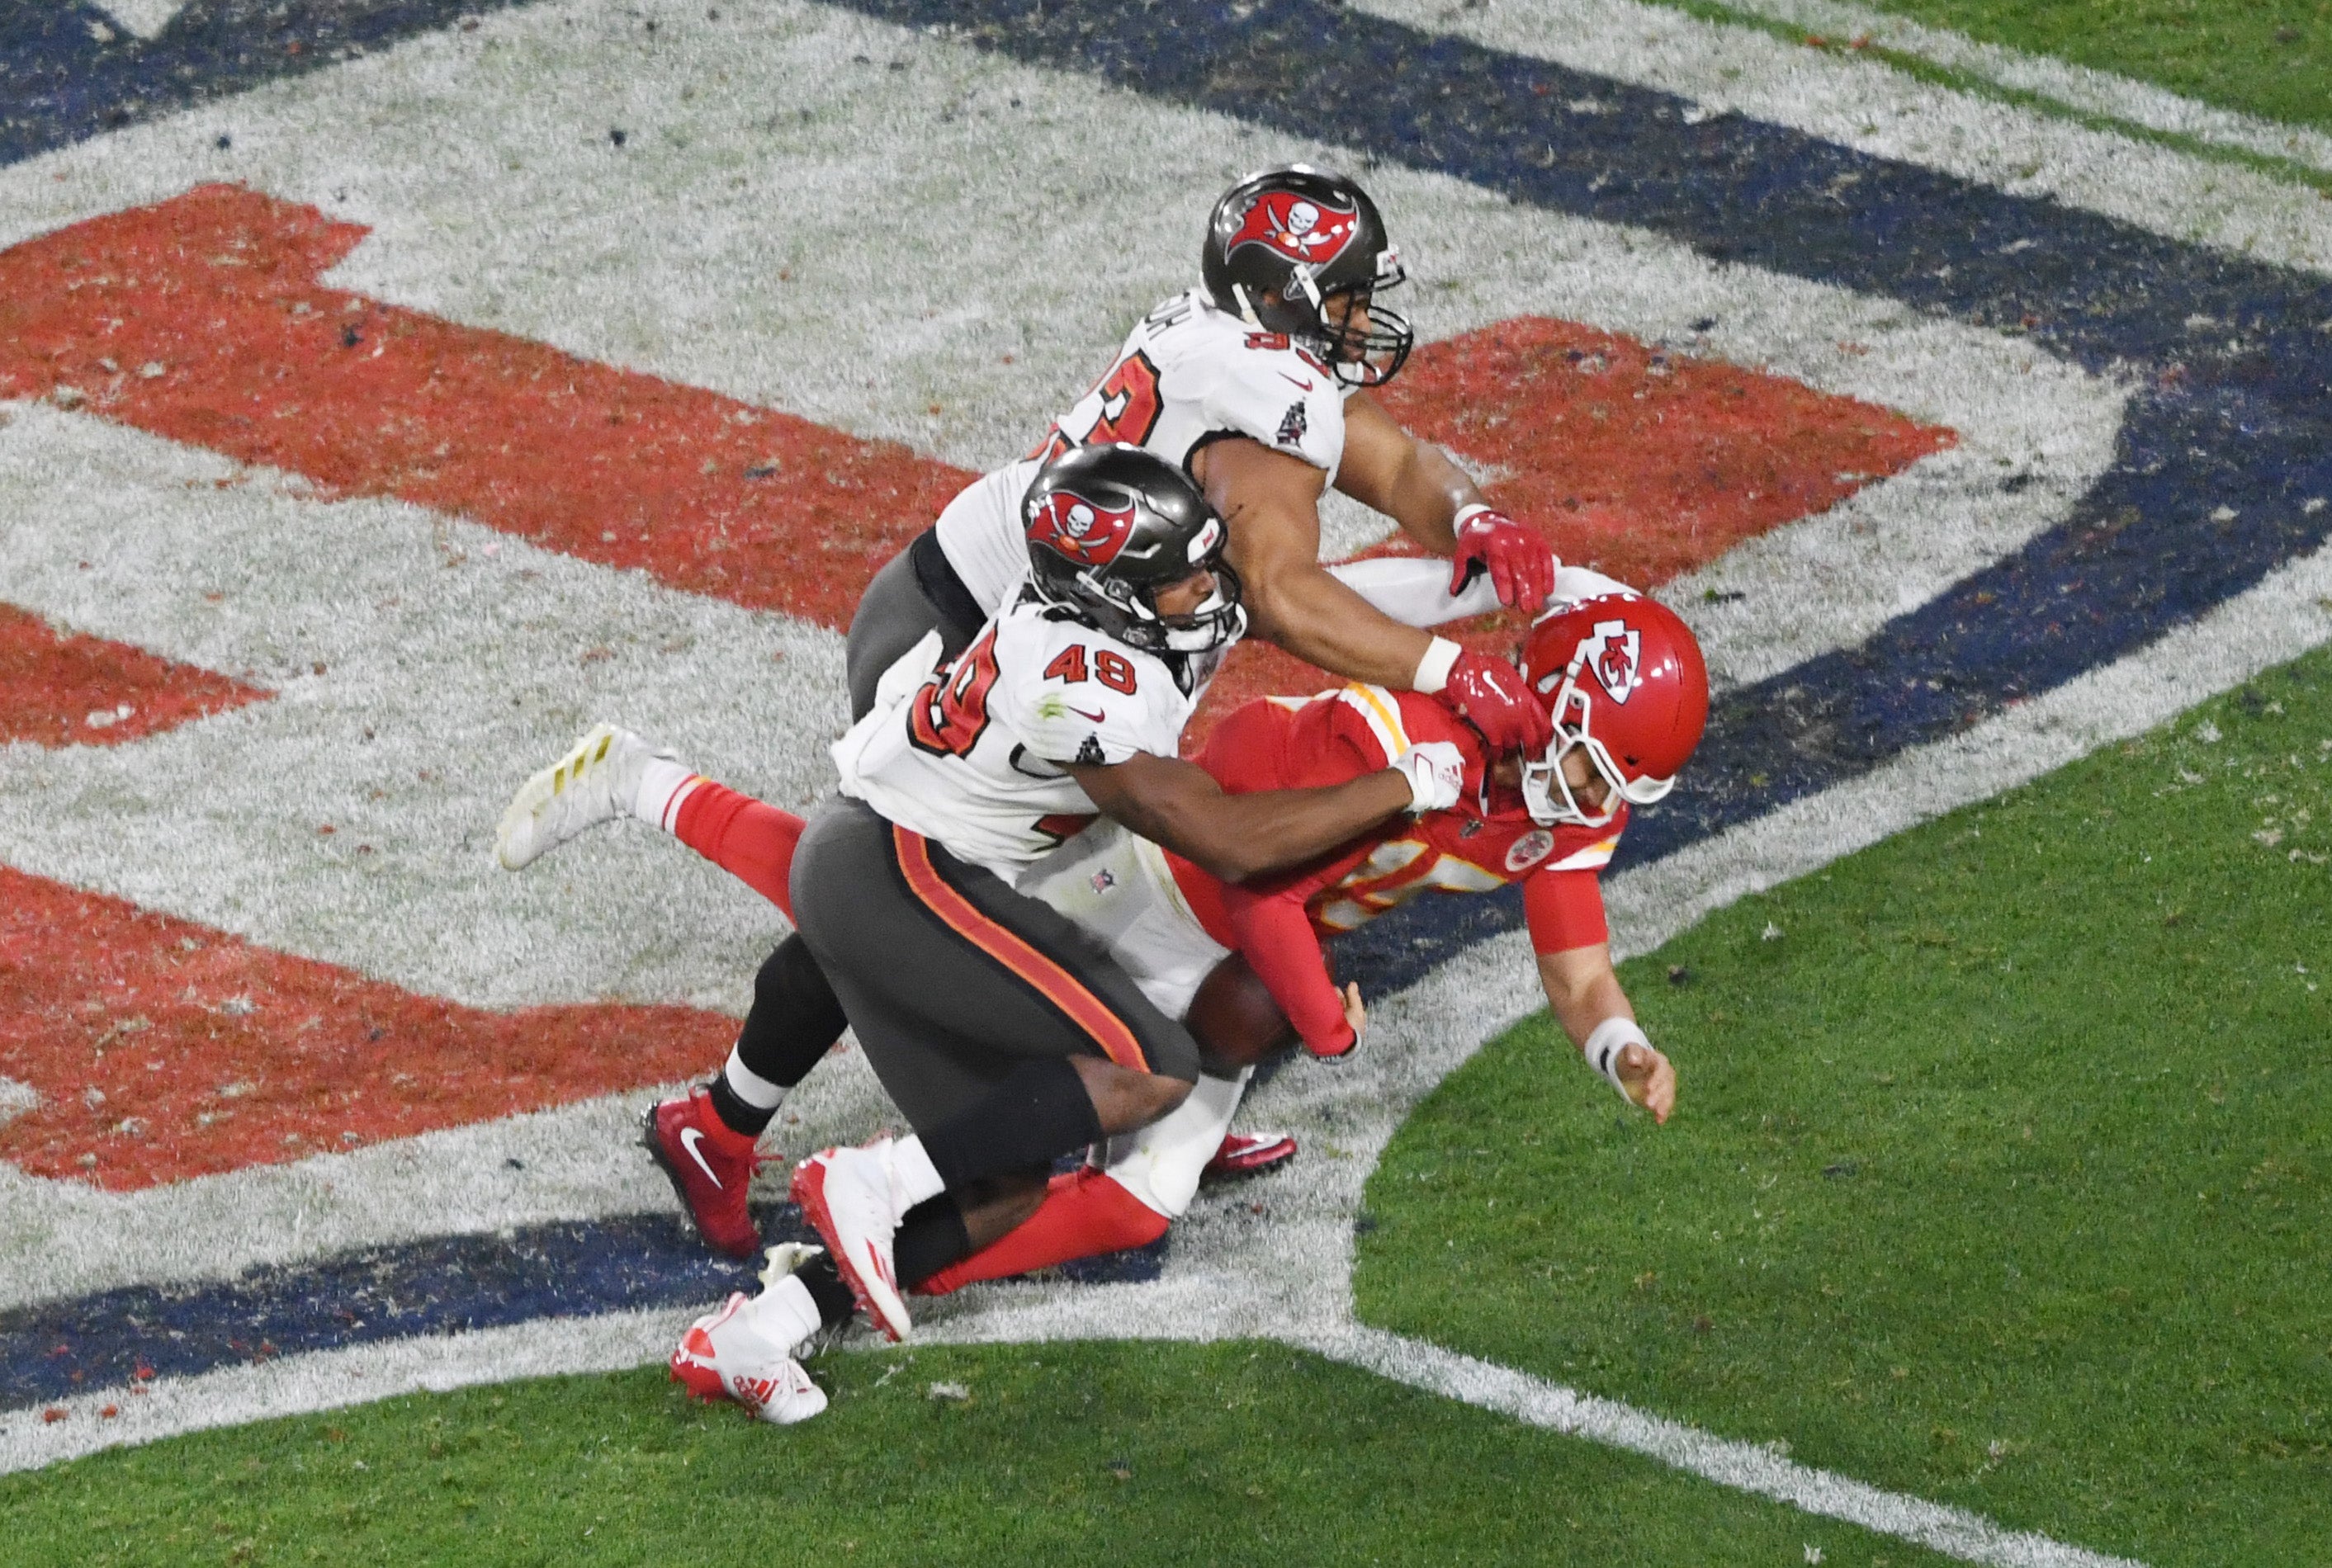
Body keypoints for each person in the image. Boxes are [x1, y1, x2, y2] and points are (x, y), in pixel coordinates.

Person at [499, 444, 1464, 1422]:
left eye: (1198, 560)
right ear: (1113, 594)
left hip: (915, 862)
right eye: (1175, 574)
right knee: (1147, 1062)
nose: (1202, 585)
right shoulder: (1080, 679)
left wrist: (1468, 607)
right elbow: (1227, 842)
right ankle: (871, 1174)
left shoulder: (1126, 612)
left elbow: (1295, 601)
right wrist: (1404, 782)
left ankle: (751, 1331)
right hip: (896, 863)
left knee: (1004, 1180)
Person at [843, 164, 1556, 753]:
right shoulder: (1263, 387)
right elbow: (1277, 596)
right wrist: (1451, 671)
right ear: (1278, 295)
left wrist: (1472, 516)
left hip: (966, 602)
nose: (1363, 321)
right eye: (1346, 300)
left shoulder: (1233, 332)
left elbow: (1397, 467)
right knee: (960, 891)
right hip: (968, 633)